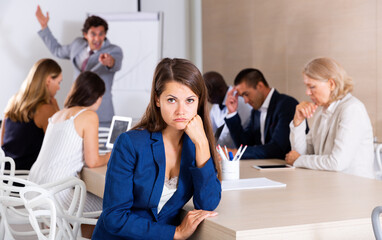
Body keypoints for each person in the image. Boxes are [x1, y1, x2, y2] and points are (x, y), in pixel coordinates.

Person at [92, 58, 222, 240]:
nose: (181, 111)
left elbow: (207, 204)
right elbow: (114, 217)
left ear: (199, 102)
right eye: (171, 100)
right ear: (157, 100)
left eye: (190, 100)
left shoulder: (196, 146)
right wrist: (175, 233)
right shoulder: (129, 143)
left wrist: (202, 143)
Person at [28, 71, 111, 214]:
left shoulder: (57, 115)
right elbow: (93, 162)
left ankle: (70, 233)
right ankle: (77, 234)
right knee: (109, 204)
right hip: (55, 194)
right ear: (97, 96)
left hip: (33, 189)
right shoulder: (89, 115)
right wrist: (111, 154)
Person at [285, 57, 374, 178]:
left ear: (331, 84)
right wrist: (298, 122)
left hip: (354, 190)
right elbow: (302, 154)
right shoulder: (322, 111)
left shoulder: (352, 109)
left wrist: (298, 160)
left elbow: (337, 163)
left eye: (312, 87)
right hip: (330, 185)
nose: (307, 92)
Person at [35, 5, 123, 126]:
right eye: (93, 34)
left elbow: (115, 64)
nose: (97, 38)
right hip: (75, 111)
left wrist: (109, 61)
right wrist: (44, 27)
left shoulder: (113, 51)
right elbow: (57, 50)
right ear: (85, 34)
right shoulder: (77, 45)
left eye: (101, 34)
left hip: (102, 115)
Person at [1, 58, 62, 170]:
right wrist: (56, 108)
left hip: (5, 177)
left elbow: (2, 143)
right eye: (58, 82)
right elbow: (60, 146)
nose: (59, 87)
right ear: (48, 80)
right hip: (28, 180)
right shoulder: (46, 109)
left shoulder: (13, 102)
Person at [225, 68, 299, 159]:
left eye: (246, 94)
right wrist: (232, 113)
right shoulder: (256, 112)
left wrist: (237, 153)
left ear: (260, 86)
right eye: (242, 96)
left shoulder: (287, 105)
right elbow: (244, 145)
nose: (245, 101)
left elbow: (277, 149)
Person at [203, 71, 252, 148]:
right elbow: (210, 130)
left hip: (240, 152)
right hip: (224, 150)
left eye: (209, 95)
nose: (206, 99)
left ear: (221, 90)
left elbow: (227, 138)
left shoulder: (239, 101)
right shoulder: (216, 104)